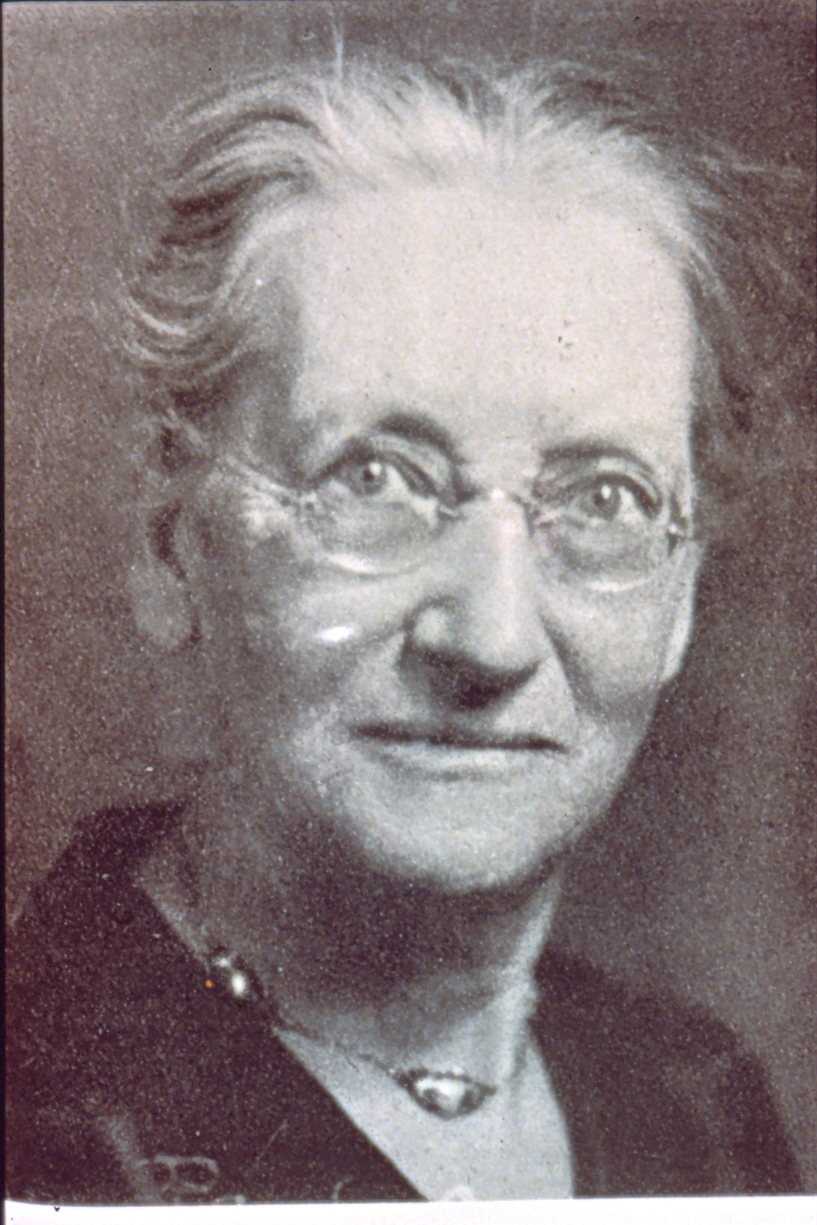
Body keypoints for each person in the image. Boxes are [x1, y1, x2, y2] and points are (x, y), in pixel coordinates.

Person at [6, 52, 808, 1204]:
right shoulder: (41, 1111)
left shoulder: (700, 1109)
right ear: (170, 546)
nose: (491, 639)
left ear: (681, 592)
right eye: (372, 478)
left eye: (605, 498)